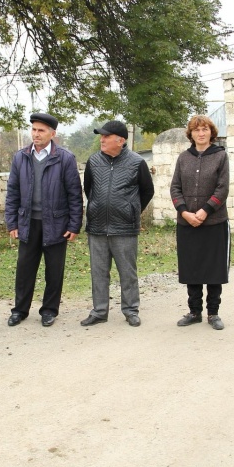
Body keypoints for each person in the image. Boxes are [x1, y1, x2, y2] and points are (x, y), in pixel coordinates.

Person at [4, 113, 83, 327]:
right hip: (28, 223)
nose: (36, 134)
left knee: (54, 270)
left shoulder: (65, 158)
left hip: (56, 223)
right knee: (24, 269)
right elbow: (12, 192)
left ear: (52, 134)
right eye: (34, 130)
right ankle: (20, 310)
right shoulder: (21, 157)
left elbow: (74, 194)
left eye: (41, 130)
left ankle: (49, 310)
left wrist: (74, 224)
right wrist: (12, 222)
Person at [80, 120, 154, 328]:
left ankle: (131, 310)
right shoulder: (93, 161)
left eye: (106, 136)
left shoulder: (137, 162)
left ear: (120, 140)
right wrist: (97, 207)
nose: (101, 140)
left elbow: (147, 191)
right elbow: (89, 189)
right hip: (97, 227)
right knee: (98, 271)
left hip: (125, 227)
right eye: (101, 136)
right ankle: (99, 311)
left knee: (127, 272)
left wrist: (131, 210)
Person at [170, 115, 230, 330]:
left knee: (213, 269)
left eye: (204, 129)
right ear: (191, 134)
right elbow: (175, 187)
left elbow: (222, 188)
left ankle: (213, 313)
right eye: (196, 130)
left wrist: (205, 211)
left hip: (213, 221)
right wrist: (184, 212)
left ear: (211, 132)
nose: (201, 133)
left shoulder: (221, 157)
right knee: (192, 268)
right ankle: (194, 311)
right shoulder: (183, 158)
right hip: (187, 223)